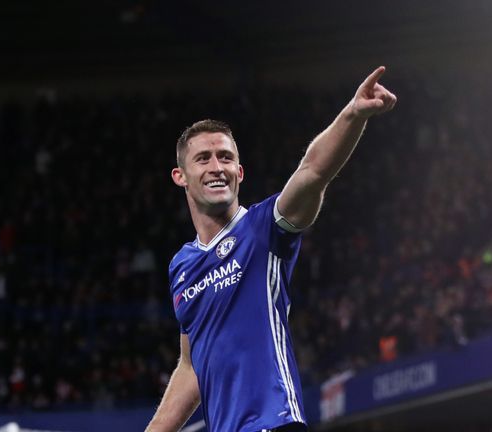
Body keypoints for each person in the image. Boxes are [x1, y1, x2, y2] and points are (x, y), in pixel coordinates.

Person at [146, 66, 397, 432]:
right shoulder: (181, 266)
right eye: (204, 158)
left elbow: (312, 173)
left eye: (226, 157)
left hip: (274, 423)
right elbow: (190, 366)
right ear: (180, 176)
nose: (217, 167)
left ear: (240, 172)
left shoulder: (263, 229)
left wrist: (353, 114)